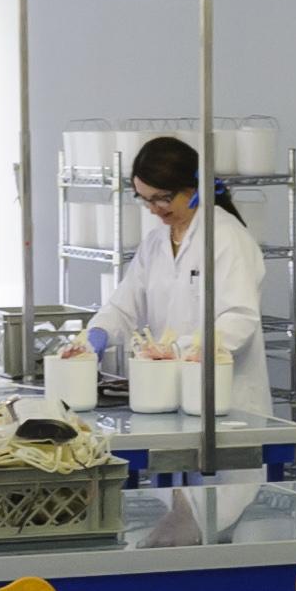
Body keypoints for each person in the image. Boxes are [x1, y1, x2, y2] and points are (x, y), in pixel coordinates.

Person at [88, 133, 270, 405]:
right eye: (145, 199)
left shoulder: (225, 236)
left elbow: (239, 317)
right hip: (171, 393)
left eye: (162, 198)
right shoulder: (155, 242)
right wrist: (99, 332)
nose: (153, 209)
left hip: (227, 400)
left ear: (193, 188)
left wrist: (178, 349)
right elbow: (123, 306)